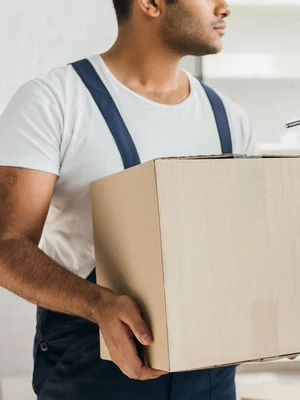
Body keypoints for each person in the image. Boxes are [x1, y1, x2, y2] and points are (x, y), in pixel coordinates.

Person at [0, 1, 257, 399]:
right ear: (150, 4)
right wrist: (98, 304)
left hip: (209, 373)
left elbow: (243, 246)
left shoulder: (229, 117)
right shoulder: (55, 102)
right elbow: (6, 244)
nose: (225, 8)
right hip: (91, 368)